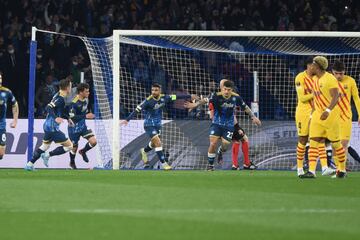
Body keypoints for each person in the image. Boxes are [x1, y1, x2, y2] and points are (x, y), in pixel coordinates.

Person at [185, 79, 261, 170]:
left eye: (228, 90)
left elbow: (245, 107)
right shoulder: (216, 96)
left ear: (231, 90)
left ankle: (221, 151)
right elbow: (205, 100)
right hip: (217, 124)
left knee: (225, 145)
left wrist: (253, 117)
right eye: (224, 89)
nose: (226, 91)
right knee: (213, 143)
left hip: (229, 126)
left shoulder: (236, 97)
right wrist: (195, 105)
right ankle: (210, 166)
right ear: (222, 89)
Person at [121, 83, 195, 170]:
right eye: (152, 90)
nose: (153, 92)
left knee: (154, 144)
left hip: (158, 125)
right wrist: (127, 119)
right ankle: (164, 164)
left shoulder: (164, 98)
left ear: (160, 91)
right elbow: (137, 110)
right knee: (158, 143)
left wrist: (190, 96)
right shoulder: (148, 101)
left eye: (156, 90)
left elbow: (176, 97)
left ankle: (143, 151)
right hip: (149, 125)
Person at [300, 56, 346, 178]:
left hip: (331, 116)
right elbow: (317, 97)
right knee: (313, 142)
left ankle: (342, 170)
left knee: (336, 144)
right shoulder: (315, 79)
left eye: (313, 64)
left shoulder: (329, 79)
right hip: (317, 116)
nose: (311, 66)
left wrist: (327, 110)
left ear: (318, 66)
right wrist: (313, 112)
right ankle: (311, 171)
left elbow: (336, 97)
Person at [25, 79, 73, 171]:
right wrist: (55, 118)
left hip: (47, 126)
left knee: (44, 146)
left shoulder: (58, 95)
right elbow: (48, 107)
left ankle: (29, 164)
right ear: (67, 88)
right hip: (52, 128)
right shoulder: (60, 99)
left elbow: (58, 111)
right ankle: (47, 155)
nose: (71, 88)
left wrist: (67, 118)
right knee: (69, 146)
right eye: (70, 87)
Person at [331, 60, 360, 168]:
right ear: (332, 72)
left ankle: (341, 169)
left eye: (341, 73)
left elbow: (356, 98)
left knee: (344, 143)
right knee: (334, 144)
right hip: (332, 117)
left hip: (346, 116)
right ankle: (337, 167)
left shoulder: (350, 81)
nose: (339, 76)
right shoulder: (328, 81)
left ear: (344, 72)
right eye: (337, 73)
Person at [68, 83, 97, 169]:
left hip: (83, 126)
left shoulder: (86, 100)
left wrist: (88, 114)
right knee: (74, 147)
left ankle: (83, 151)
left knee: (93, 142)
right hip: (73, 128)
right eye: (86, 91)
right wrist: (86, 116)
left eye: (88, 91)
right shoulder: (74, 103)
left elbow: (84, 111)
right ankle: (72, 162)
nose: (88, 93)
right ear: (81, 92)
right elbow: (72, 117)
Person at [0, 71, 18, 160]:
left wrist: (15, 120)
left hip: (1, 125)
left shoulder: (6, 92)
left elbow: (15, 105)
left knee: (1, 153)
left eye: (0, 78)